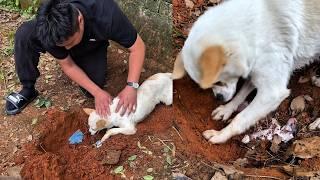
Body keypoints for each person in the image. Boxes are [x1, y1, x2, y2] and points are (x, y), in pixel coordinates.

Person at [4, 0, 145, 117]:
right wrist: (98, 92)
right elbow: (68, 64)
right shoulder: (49, 30)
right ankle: (27, 88)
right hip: (57, 31)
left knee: (91, 88)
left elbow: (138, 47)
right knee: (25, 34)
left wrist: (131, 86)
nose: (66, 49)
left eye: (69, 43)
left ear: (80, 20)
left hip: (92, 44)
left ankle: (86, 57)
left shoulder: (106, 14)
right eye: (62, 46)